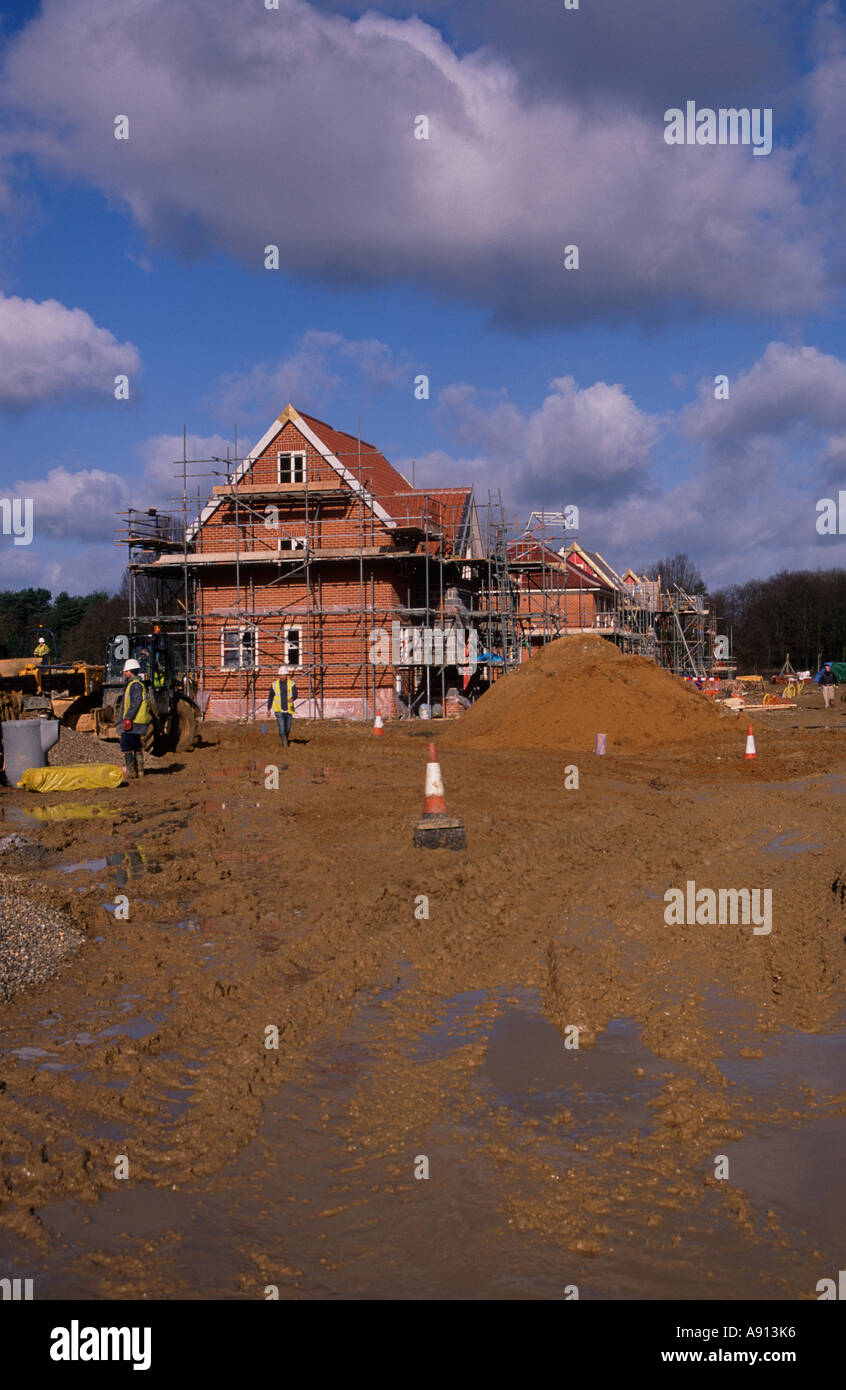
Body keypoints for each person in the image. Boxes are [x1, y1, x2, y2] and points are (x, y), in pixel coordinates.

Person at [121, 658, 151, 777]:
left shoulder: (135, 685)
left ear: (131, 672)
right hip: (138, 720)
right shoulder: (138, 684)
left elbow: (135, 703)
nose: (124, 673)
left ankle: (132, 771)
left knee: (126, 744)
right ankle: (140, 771)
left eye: (125, 671)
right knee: (136, 745)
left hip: (134, 721)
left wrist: (128, 718)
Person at [268, 664, 297, 746]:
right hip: (278, 710)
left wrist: (293, 698)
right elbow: (270, 697)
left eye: (283, 675)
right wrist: (268, 709)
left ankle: (285, 739)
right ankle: (285, 745)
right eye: (280, 675)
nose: (282, 676)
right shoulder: (274, 684)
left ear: (286, 675)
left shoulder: (291, 684)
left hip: (289, 709)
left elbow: (296, 694)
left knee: (287, 728)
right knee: (281, 727)